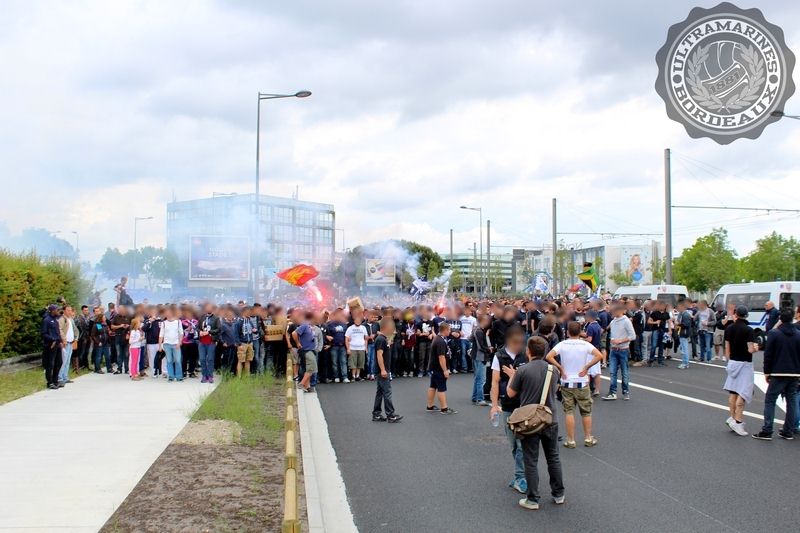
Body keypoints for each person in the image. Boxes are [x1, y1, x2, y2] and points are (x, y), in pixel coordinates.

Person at [507, 336, 564, 510]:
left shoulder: (523, 370)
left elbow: (510, 393)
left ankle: (533, 499)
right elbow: (555, 389)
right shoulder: (553, 370)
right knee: (553, 457)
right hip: (550, 417)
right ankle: (558, 494)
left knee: (530, 459)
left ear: (528, 351)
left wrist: (512, 376)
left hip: (530, 419)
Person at [546, 322, 603, 448]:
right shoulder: (585, 344)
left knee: (569, 411)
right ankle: (588, 438)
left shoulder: (562, 344)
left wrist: (560, 367)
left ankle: (570, 440)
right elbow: (599, 355)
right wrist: (587, 367)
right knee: (586, 411)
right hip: (582, 381)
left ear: (567, 332)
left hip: (567, 381)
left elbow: (549, 356)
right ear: (580, 332)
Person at [489, 324, 528, 494]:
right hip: (507, 405)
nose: (518, 345)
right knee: (513, 444)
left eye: (520, 341)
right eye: (515, 341)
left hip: (525, 404)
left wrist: (515, 375)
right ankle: (520, 474)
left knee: (521, 444)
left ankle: (520, 477)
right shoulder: (499, 356)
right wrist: (494, 405)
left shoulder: (526, 354)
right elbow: (494, 382)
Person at [752, 309, 799, 440]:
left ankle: (767, 430)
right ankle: (788, 431)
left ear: (780, 319)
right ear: (792, 318)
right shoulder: (798, 334)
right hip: (795, 373)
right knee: (791, 401)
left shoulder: (774, 333)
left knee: (770, 400)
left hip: (778, 371)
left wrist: (767, 372)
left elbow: (768, 354)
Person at [723, 305, 757, 437]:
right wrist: (757, 347)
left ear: (736, 315)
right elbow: (750, 349)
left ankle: (732, 418)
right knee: (743, 393)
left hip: (732, 362)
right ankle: (738, 421)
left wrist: (729, 360)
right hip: (745, 364)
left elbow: (727, 347)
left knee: (733, 392)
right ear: (746, 315)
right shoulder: (749, 330)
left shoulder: (729, 328)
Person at [372, 317, 403, 423]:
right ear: (386, 327)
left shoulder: (383, 339)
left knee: (380, 392)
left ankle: (376, 414)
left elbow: (385, 349)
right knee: (387, 392)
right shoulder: (381, 339)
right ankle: (390, 415)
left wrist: (390, 338)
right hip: (383, 370)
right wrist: (383, 370)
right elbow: (379, 355)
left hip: (383, 369)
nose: (393, 329)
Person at [602, 305, 635, 401]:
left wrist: (620, 341)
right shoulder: (613, 322)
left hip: (623, 349)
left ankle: (625, 391)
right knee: (612, 372)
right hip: (613, 349)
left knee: (624, 372)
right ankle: (612, 392)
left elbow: (633, 336)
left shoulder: (626, 321)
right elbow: (612, 334)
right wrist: (612, 340)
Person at [426, 321, 457, 415]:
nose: (450, 331)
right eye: (449, 330)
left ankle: (430, 406)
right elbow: (441, 357)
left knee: (433, 386)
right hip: (438, 368)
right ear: (445, 330)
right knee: (441, 387)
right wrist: (445, 370)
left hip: (434, 367)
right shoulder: (440, 341)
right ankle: (444, 408)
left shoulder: (438, 338)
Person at [293, 311, 318, 393]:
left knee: (309, 369)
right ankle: (301, 384)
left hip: (311, 350)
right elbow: (294, 333)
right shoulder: (304, 325)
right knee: (311, 368)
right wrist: (298, 343)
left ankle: (307, 386)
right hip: (307, 351)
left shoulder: (310, 327)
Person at [41, 304, 63, 390]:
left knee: (59, 362)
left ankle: (55, 380)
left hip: (57, 344)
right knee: (50, 364)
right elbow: (43, 333)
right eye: (57, 310)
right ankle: (49, 382)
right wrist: (52, 339)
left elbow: (57, 332)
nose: (58, 311)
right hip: (50, 345)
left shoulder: (55, 319)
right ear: (52, 310)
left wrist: (60, 341)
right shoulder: (46, 320)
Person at [159, 307, 184, 382]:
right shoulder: (164, 323)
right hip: (167, 344)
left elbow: (181, 333)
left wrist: (179, 342)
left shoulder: (178, 322)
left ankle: (179, 376)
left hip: (176, 344)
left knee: (178, 360)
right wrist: (160, 345)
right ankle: (171, 376)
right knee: (169, 361)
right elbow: (161, 335)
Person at [471, 314, 492, 405]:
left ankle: (475, 397)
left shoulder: (476, 329)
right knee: (481, 379)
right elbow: (481, 346)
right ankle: (480, 399)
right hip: (480, 356)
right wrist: (489, 349)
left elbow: (470, 339)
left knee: (477, 378)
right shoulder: (479, 331)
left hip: (475, 356)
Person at [197, 304, 219, 383]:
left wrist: (209, 332)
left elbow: (218, 329)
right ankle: (204, 375)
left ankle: (210, 376)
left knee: (210, 359)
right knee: (202, 359)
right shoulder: (202, 317)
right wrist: (200, 332)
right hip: (202, 342)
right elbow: (197, 328)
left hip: (211, 342)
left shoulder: (216, 318)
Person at [57, 305, 78, 386]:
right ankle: (60, 378)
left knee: (68, 361)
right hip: (65, 343)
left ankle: (65, 377)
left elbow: (75, 329)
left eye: (70, 310)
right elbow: (60, 329)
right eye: (68, 310)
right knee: (63, 361)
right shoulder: (62, 319)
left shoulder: (71, 319)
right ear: (64, 311)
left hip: (70, 342)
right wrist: (63, 339)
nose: (70, 312)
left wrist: (75, 338)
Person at [345, 313, 369, 382]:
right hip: (352, 348)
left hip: (361, 348)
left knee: (360, 363)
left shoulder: (363, 328)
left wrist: (366, 348)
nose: (358, 321)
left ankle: (358, 376)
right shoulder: (350, 328)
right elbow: (346, 339)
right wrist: (348, 348)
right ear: (354, 321)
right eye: (356, 320)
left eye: (359, 320)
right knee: (353, 363)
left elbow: (366, 338)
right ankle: (353, 376)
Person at [676, 300, 693, 369]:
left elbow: (685, 325)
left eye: (679, 306)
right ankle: (685, 362)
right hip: (681, 332)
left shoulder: (686, 315)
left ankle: (685, 363)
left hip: (684, 333)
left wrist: (678, 324)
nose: (677, 308)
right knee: (683, 348)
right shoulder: (681, 314)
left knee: (684, 349)